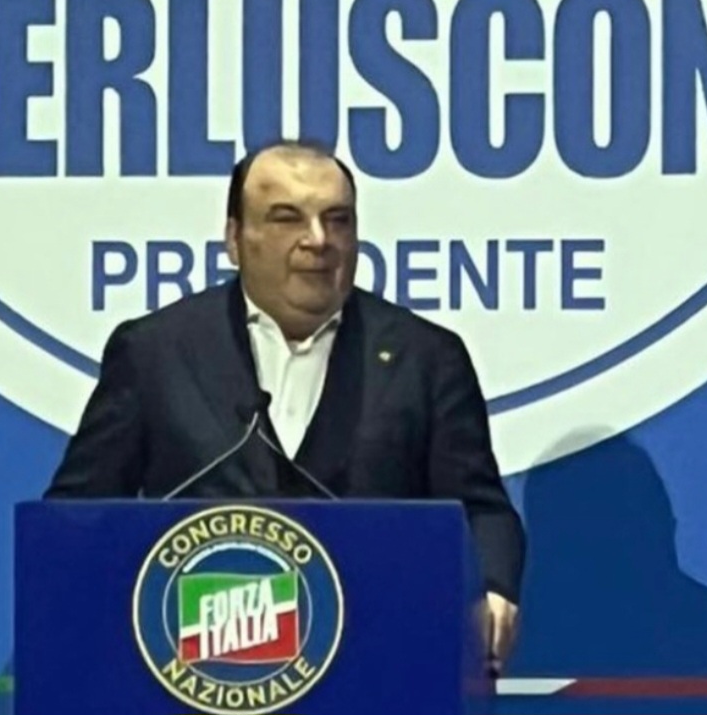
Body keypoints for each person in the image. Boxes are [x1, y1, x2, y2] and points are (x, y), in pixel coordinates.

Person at [44, 138, 526, 672]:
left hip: (377, 665)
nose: (318, 240)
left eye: (338, 220)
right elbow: (76, 513)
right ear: (234, 239)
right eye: (286, 219)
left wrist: (493, 587)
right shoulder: (155, 352)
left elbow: (480, 508)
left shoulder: (425, 357)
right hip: (195, 673)